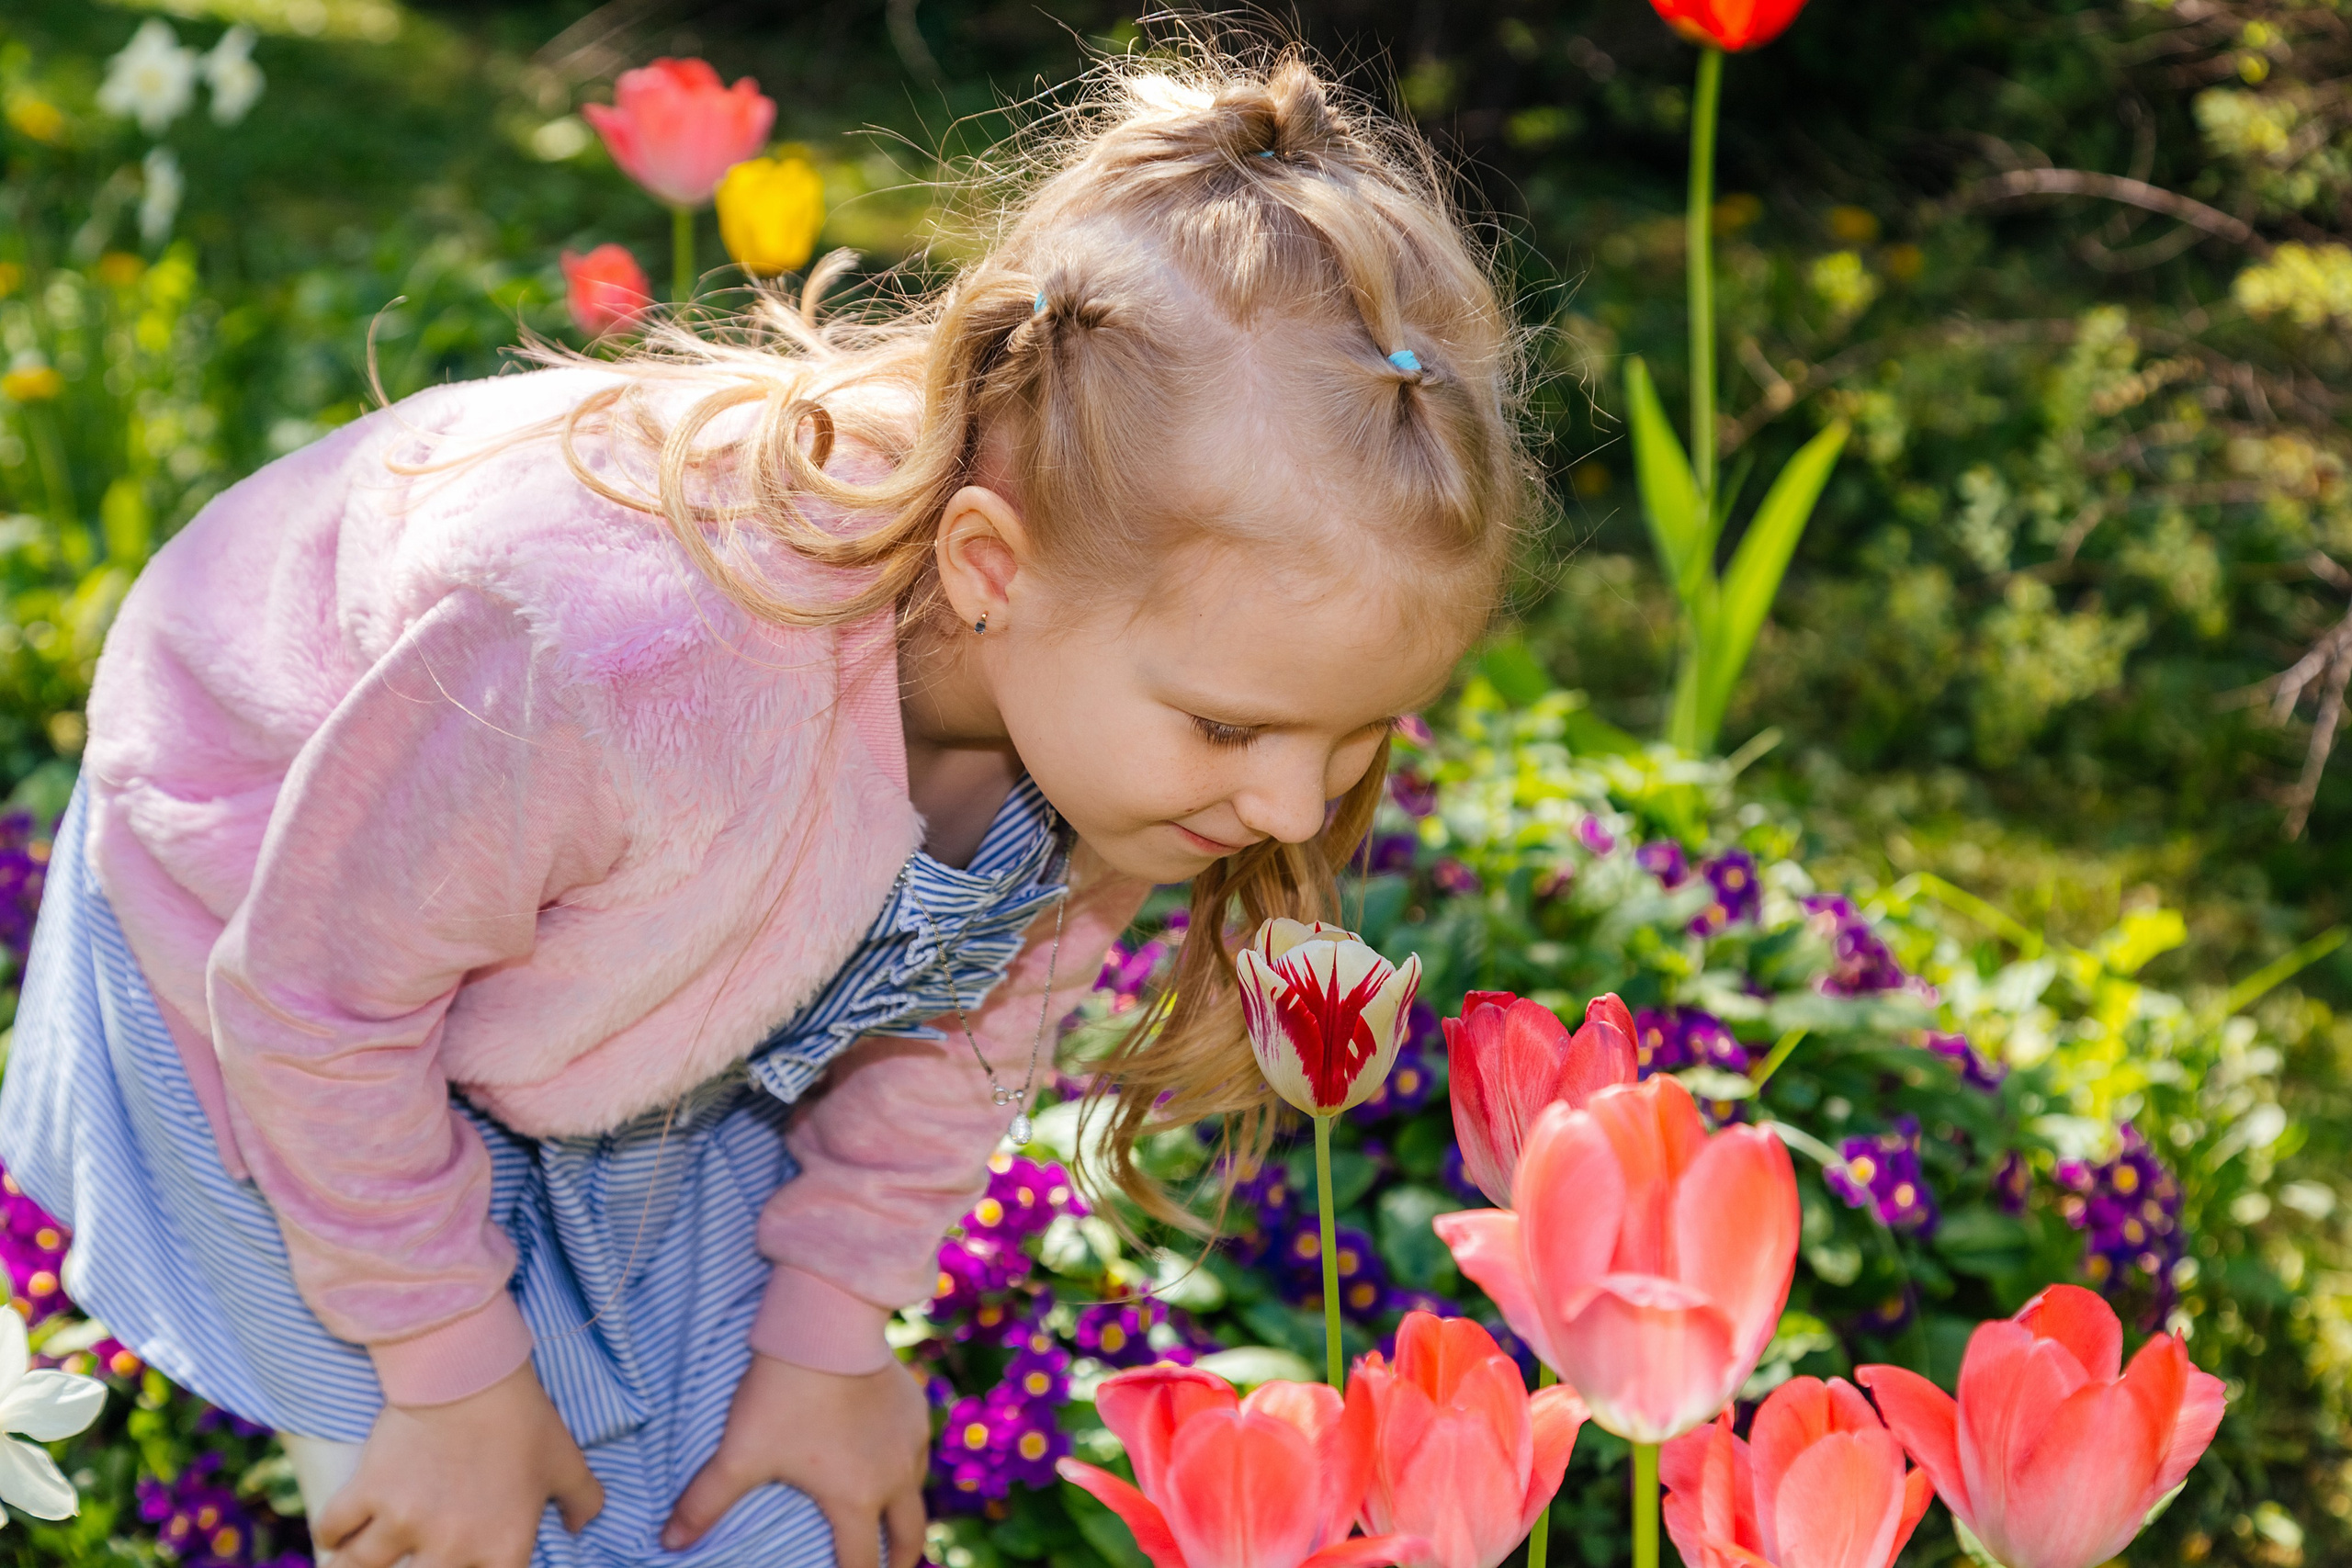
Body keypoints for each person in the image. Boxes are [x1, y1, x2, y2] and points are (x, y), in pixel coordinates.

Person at [0, 45, 1526, 1568]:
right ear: (991, 569)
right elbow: (314, 1003)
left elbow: (961, 1040)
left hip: (624, 972)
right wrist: (451, 1372)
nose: (1283, 805)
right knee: (475, 1512)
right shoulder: (618, 663)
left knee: (762, 1521)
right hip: (262, 956)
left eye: (1348, 741)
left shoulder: (1111, 724)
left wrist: (829, 1341)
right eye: (1234, 729)